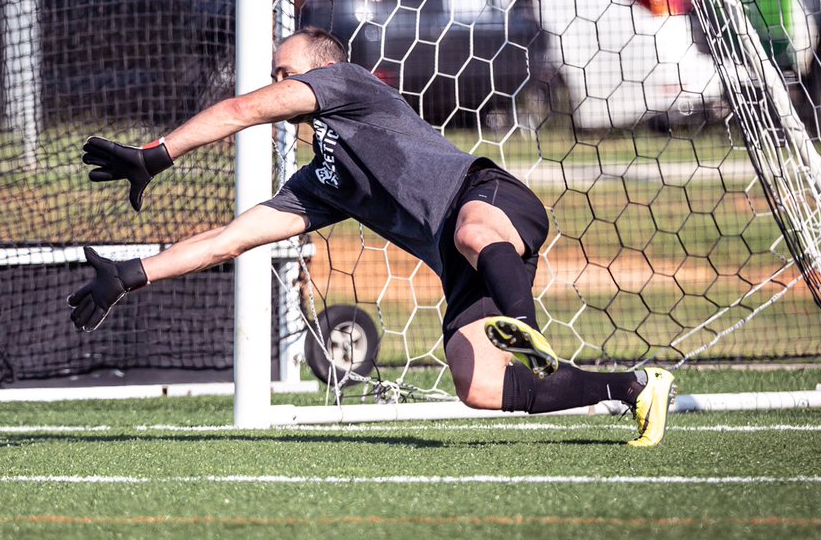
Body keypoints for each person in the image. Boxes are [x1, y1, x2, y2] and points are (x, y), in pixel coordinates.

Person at [69, 27, 675, 447]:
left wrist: (156, 154)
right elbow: (232, 239)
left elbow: (239, 112)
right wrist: (131, 274)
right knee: (479, 386)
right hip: (464, 259)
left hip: (489, 198)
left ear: (322, 70)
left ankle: (526, 331)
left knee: (469, 229)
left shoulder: (348, 84)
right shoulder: (322, 183)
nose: (276, 84)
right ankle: (636, 387)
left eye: (285, 72)